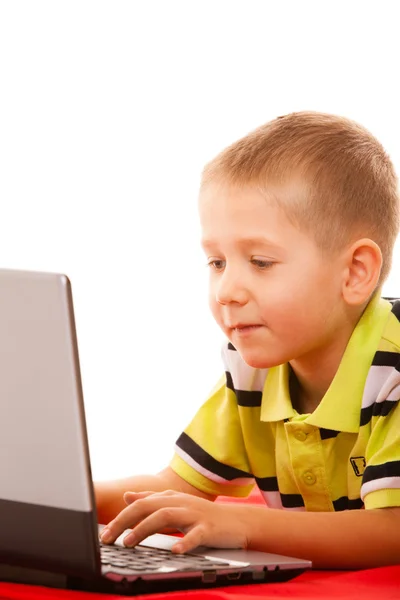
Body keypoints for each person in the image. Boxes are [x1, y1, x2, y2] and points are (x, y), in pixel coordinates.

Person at [95, 111, 400, 569]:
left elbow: (391, 530)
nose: (227, 292)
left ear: (355, 272)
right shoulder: (253, 368)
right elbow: (178, 489)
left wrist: (243, 525)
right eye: (216, 262)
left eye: (260, 262)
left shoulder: (391, 370)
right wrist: (64, 497)